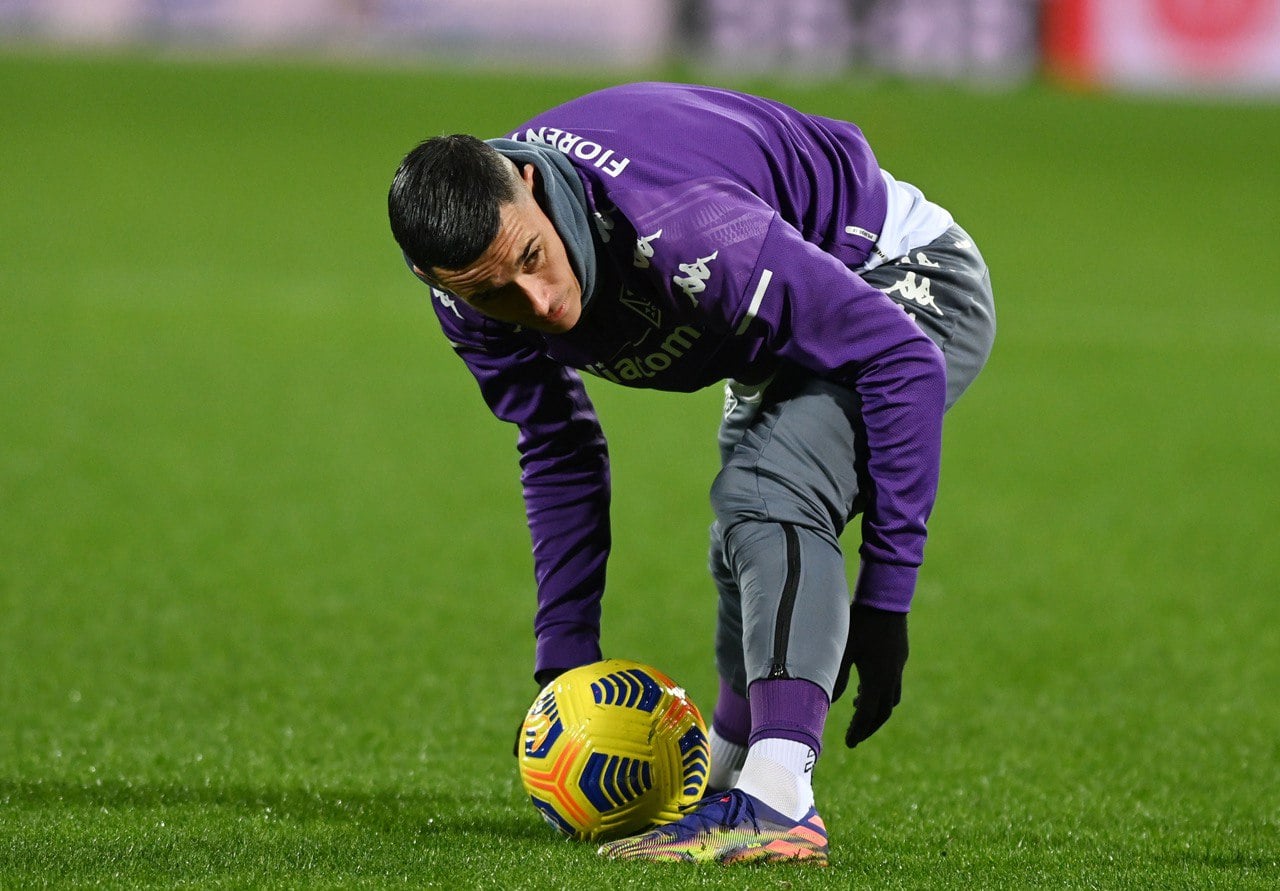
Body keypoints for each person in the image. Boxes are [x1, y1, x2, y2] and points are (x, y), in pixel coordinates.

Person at [387, 82, 995, 866]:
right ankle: (731, 767)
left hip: (901, 281)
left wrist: (886, 597)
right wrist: (563, 668)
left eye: (532, 258)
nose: (537, 302)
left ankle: (778, 800)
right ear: (435, 278)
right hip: (778, 329)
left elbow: (900, 357)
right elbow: (558, 447)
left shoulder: (683, 225)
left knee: (769, 494)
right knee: (743, 537)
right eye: (492, 291)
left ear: (530, 184)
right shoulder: (469, 298)